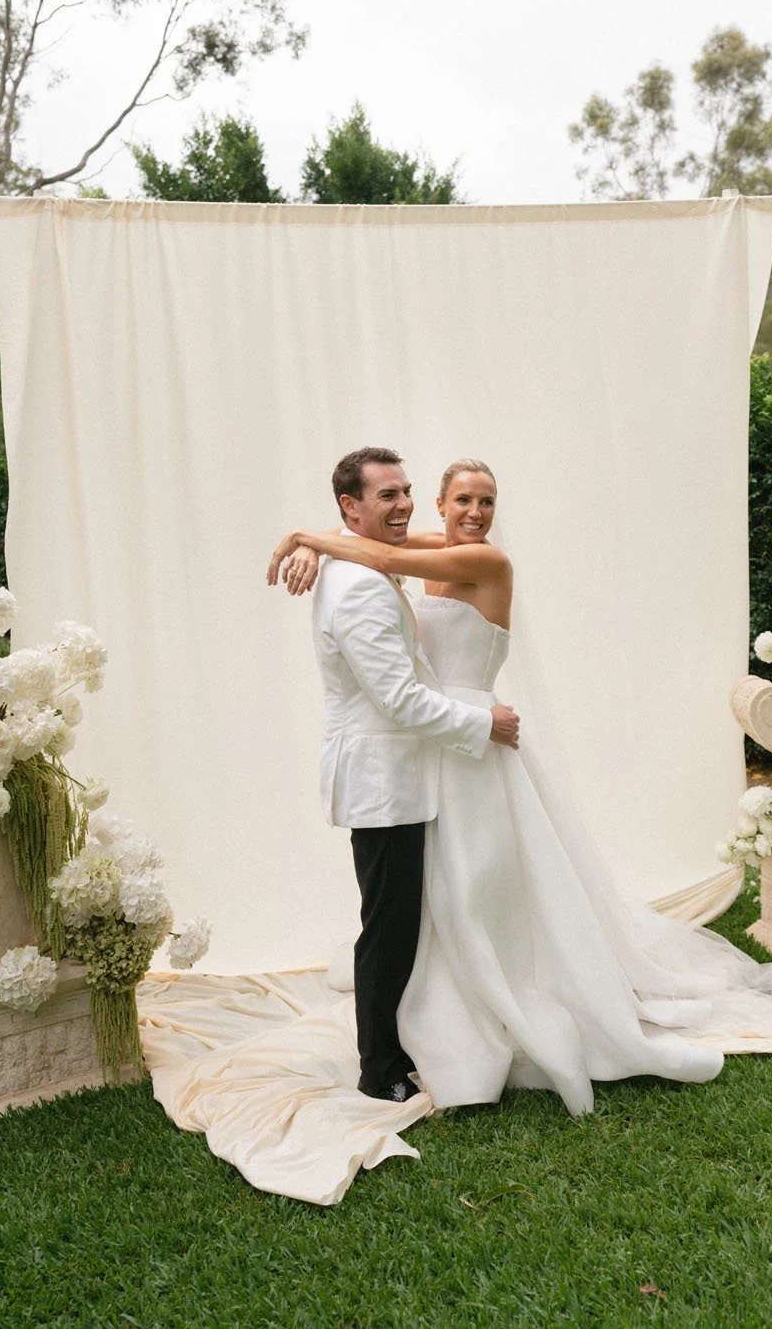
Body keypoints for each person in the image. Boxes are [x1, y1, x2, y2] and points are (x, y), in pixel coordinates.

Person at [269, 458, 772, 1114]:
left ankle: (495, 1008)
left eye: (487, 501)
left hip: (473, 743)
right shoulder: (415, 552)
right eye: (462, 501)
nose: (475, 513)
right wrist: (312, 536)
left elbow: (367, 547)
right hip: (434, 751)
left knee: (478, 889)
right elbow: (373, 547)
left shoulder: (486, 562)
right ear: (441, 506)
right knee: (430, 903)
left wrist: (305, 535)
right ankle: (433, 1017)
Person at [297, 446, 521, 1104]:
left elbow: (392, 552)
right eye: (386, 495)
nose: (400, 505)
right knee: (389, 927)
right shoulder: (362, 582)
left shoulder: (372, 561)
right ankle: (380, 1067)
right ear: (351, 507)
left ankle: (423, 1035)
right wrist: (483, 725)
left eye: (405, 492)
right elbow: (397, 698)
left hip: (419, 765)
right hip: (387, 773)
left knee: (423, 911)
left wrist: (319, 543)